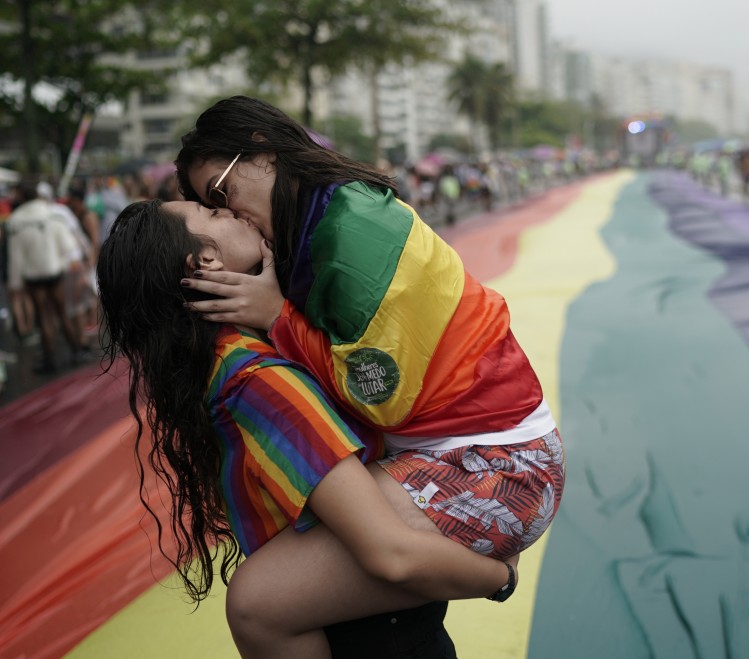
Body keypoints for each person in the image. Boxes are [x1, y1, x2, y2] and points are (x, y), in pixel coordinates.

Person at [174, 94, 563, 641]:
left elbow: (381, 397)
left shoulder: (348, 233)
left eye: (220, 193)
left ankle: (495, 578)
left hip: (499, 466)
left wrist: (276, 316)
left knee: (261, 605)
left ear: (262, 152)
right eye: (208, 206)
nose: (228, 214)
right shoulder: (319, 220)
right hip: (462, 453)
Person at [96, 199, 519, 659]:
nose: (233, 210)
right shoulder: (257, 380)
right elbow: (389, 553)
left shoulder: (224, 361)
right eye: (213, 213)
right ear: (204, 263)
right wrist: (501, 578)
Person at [5, 179, 88, 372]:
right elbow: (68, 246)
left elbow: (16, 256)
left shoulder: (16, 220)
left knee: (44, 317)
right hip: (55, 271)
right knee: (63, 312)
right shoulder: (53, 214)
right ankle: (76, 350)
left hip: (34, 277)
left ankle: (50, 358)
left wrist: (15, 283)